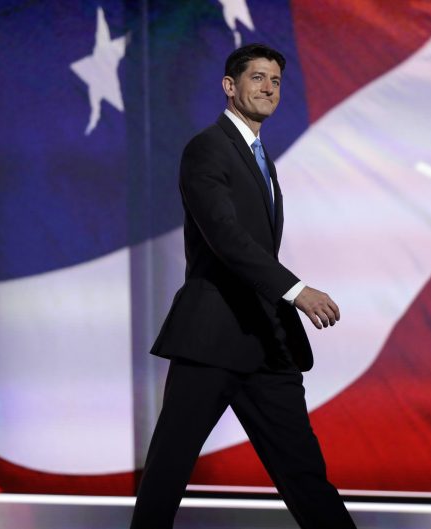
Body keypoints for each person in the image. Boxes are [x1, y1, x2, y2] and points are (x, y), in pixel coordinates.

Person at [129, 43, 357, 529]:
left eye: (275, 81)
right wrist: (297, 291)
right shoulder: (208, 148)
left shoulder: (260, 157)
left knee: (303, 474)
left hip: (264, 343)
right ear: (230, 86)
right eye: (257, 78)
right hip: (211, 338)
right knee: (170, 469)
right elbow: (226, 237)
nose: (269, 88)